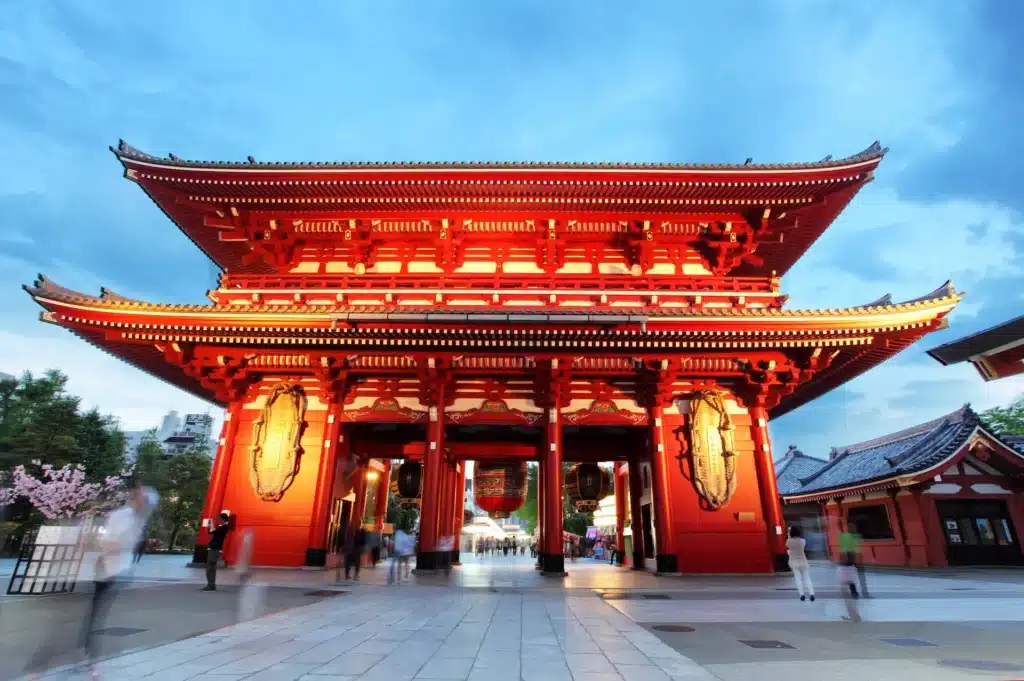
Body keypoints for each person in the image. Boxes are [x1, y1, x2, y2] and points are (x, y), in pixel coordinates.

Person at [839, 521, 869, 598]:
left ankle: (862, 593)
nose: (852, 528)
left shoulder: (856, 536)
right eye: (851, 527)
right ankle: (855, 593)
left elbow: (859, 546)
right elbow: (843, 548)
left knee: (860, 576)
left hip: (855, 556)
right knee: (852, 576)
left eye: (853, 527)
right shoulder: (845, 536)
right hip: (849, 557)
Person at [203, 512, 231, 592]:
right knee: (211, 567)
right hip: (215, 548)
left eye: (219, 518)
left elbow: (211, 532)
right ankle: (211, 585)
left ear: (223, 519)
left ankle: (211, 585)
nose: (217, 520)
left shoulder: (224, 527)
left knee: (210, 567)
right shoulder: (221, 527)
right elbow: (211, 532)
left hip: (215, 548)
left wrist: (210, 524)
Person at [786, 526, 814, 602]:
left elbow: (788, 546)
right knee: (807, 577)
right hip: (803, 561)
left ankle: (802, 595)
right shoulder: (802, 541)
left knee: (798, 578)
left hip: (794, 562)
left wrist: (788, 534)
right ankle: (811, 594)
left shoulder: (789, 541)